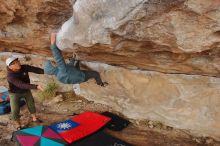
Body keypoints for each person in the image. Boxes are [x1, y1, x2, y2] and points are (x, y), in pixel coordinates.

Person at [44, 34, 108, 94]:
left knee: (77, 62)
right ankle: (100, 83)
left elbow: (69, 68)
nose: (54, 62)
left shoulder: (59, 76)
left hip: (75, 77)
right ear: (52, 68)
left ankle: (77, 67)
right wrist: (53, 45)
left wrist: (73, 59)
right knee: (95, 74)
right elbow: (58, 58)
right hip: (82, 77)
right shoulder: (62, 70)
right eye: (52, 63)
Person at [6, 56, 44, 129]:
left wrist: (48, 71)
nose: (18, 63)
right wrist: (36, 86)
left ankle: (34, 118)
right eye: (14, 63)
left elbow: (36, 70)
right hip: (15, 93)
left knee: (31, 104)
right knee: (15, 110)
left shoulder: (24, 67)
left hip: (26, 90)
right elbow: (21, 85)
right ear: (10, 67)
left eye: (17, 61)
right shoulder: (10, 76)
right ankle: (18, 124)